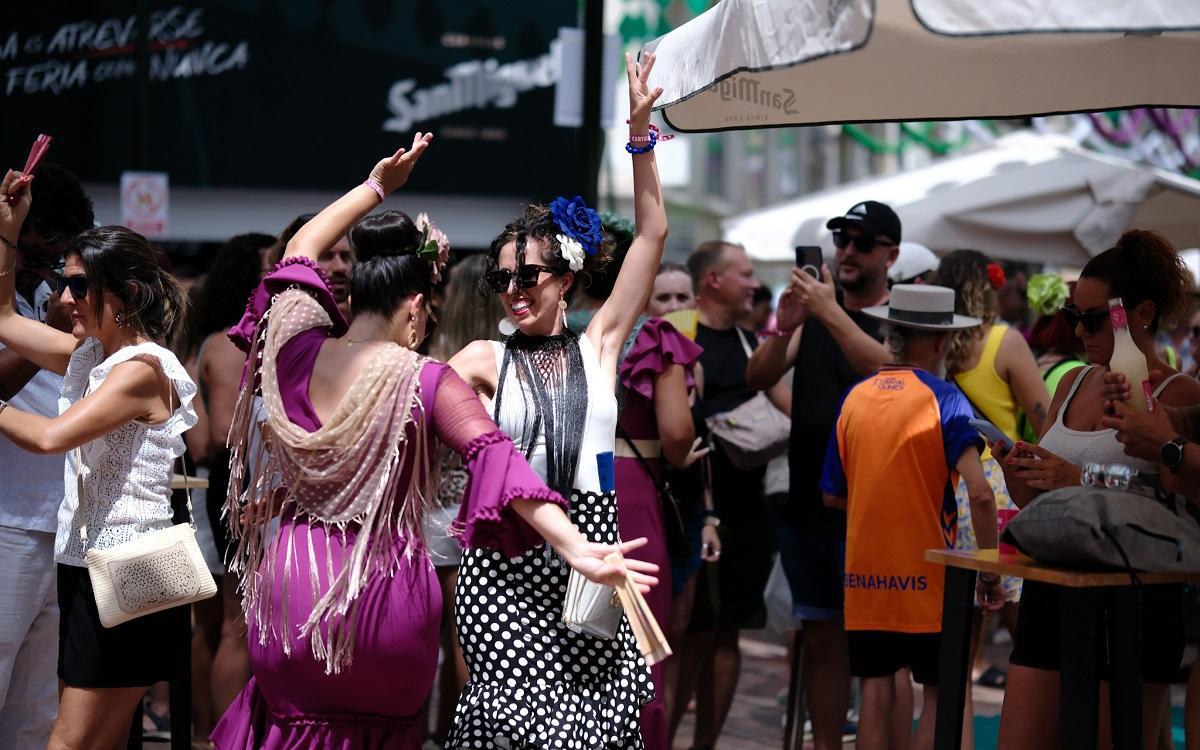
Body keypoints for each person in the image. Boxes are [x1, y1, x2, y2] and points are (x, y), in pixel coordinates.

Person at [209, 134, 654, 749]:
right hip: (383, 595)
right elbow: (496, 459)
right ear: (417, 308)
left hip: (291, 586)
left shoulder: (293, 347)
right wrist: (575, 546)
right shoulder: (427, 378)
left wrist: (376, 188)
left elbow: (302, 248)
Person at [445, 53, 667, 749]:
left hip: (594, 542)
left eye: (529, 274)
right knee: (512, 721)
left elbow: (653, 233)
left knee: (594, 728)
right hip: (508, 560)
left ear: (566, 278)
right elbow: (410, 413)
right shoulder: (482, 360)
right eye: (502, 276)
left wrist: (639, 133)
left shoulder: (599, 344)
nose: (513, 288)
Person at [0, 169, 197, 749]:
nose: (63, 299)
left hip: (126, 567)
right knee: (94, 741)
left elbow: (48, 437)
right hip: (92, 567)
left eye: (79, 286)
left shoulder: (141, 369)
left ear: (128, 293)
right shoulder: (96, 356)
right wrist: (7, 235)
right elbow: (7, 321)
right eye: (64, 283)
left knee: (69, 741)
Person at [995, 229, 1200, 750]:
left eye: (1092, 318)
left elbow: (1177, 498)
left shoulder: (1177, 394)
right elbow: (1036, 503)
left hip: (1133, 598)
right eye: (1072, 316)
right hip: (1053, 591)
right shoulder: (1072, 383)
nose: (1080, 331)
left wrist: (1078, 477)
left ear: (1143, 313)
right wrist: (1025, 469)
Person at [820, 283, 1002, 750]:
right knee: (940, 698)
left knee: (875, 693)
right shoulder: (946, 399)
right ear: (941, 341)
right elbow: (981, 495)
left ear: (891, 332)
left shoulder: (853, 399)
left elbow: (833, 496)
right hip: (931, 576)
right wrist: (988, 570)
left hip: (865, 576)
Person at [746, 200, 897, 750]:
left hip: (874, 515)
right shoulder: (813, 317)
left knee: (882, 655)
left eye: (863, 242)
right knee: (824, 642)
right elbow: (757, 374)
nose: (848, 251)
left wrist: (827, 311)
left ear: (891, 254)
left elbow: (886, 368)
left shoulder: (900, 317)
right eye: (842, 240)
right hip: (809, 507)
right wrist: (784, 328)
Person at [671, 239, 787, 750]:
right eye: (744, 272)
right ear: (714, 280)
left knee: (728, 634)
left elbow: (796, 408)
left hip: (746, 509)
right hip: (690, 509)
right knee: (687, 639)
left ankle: (705, 746)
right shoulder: (677, 338)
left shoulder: (750, 344)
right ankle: (663, 738)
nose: (754, 283)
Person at [0, 163, 93, 750]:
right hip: (6, 521)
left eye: (62, 250)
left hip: (57, 524)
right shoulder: (14, 300)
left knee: (34, 707)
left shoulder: (43, 294)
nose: (51, 263)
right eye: (43, 245)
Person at [934, 250, 1049, 722]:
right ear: (989, 285)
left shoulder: (937, 343)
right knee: (1027, 626)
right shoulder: (1006, 341)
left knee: (960, 632)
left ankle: (951, 727)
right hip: (998, 489)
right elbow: (1045, 417)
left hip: (947, 488)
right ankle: (1035, 723)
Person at [184, 232, 276, 740]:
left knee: (215, 625)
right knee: (236, 625)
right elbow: (220, 434)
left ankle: (205, 731)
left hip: (220, 489)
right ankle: (226, 735)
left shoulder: (211, 342)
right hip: (235, 490)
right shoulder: (231, 345)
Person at [423, 250, 503, 746]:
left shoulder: (434, 362)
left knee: (432, 638)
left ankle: (434, 731)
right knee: (469, 640)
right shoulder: (500, 365)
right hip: (477, 509)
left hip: (431, 512)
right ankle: (457, 735)